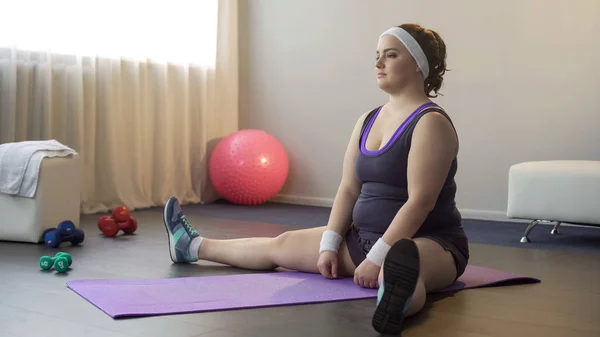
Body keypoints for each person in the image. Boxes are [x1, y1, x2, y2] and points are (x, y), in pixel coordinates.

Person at [163, 23, 469, 335]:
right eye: (377, 56)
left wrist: (378, 257)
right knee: (281, 245)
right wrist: (330, 243)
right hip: (360, 239)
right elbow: (349, 189)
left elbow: (420, 202)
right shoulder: (368, 119)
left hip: (429, 243)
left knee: (401, 269)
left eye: (390, 56)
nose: (378, 64)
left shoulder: (430, 123)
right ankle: (192, 246)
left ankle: (394, 304)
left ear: (418, 65)